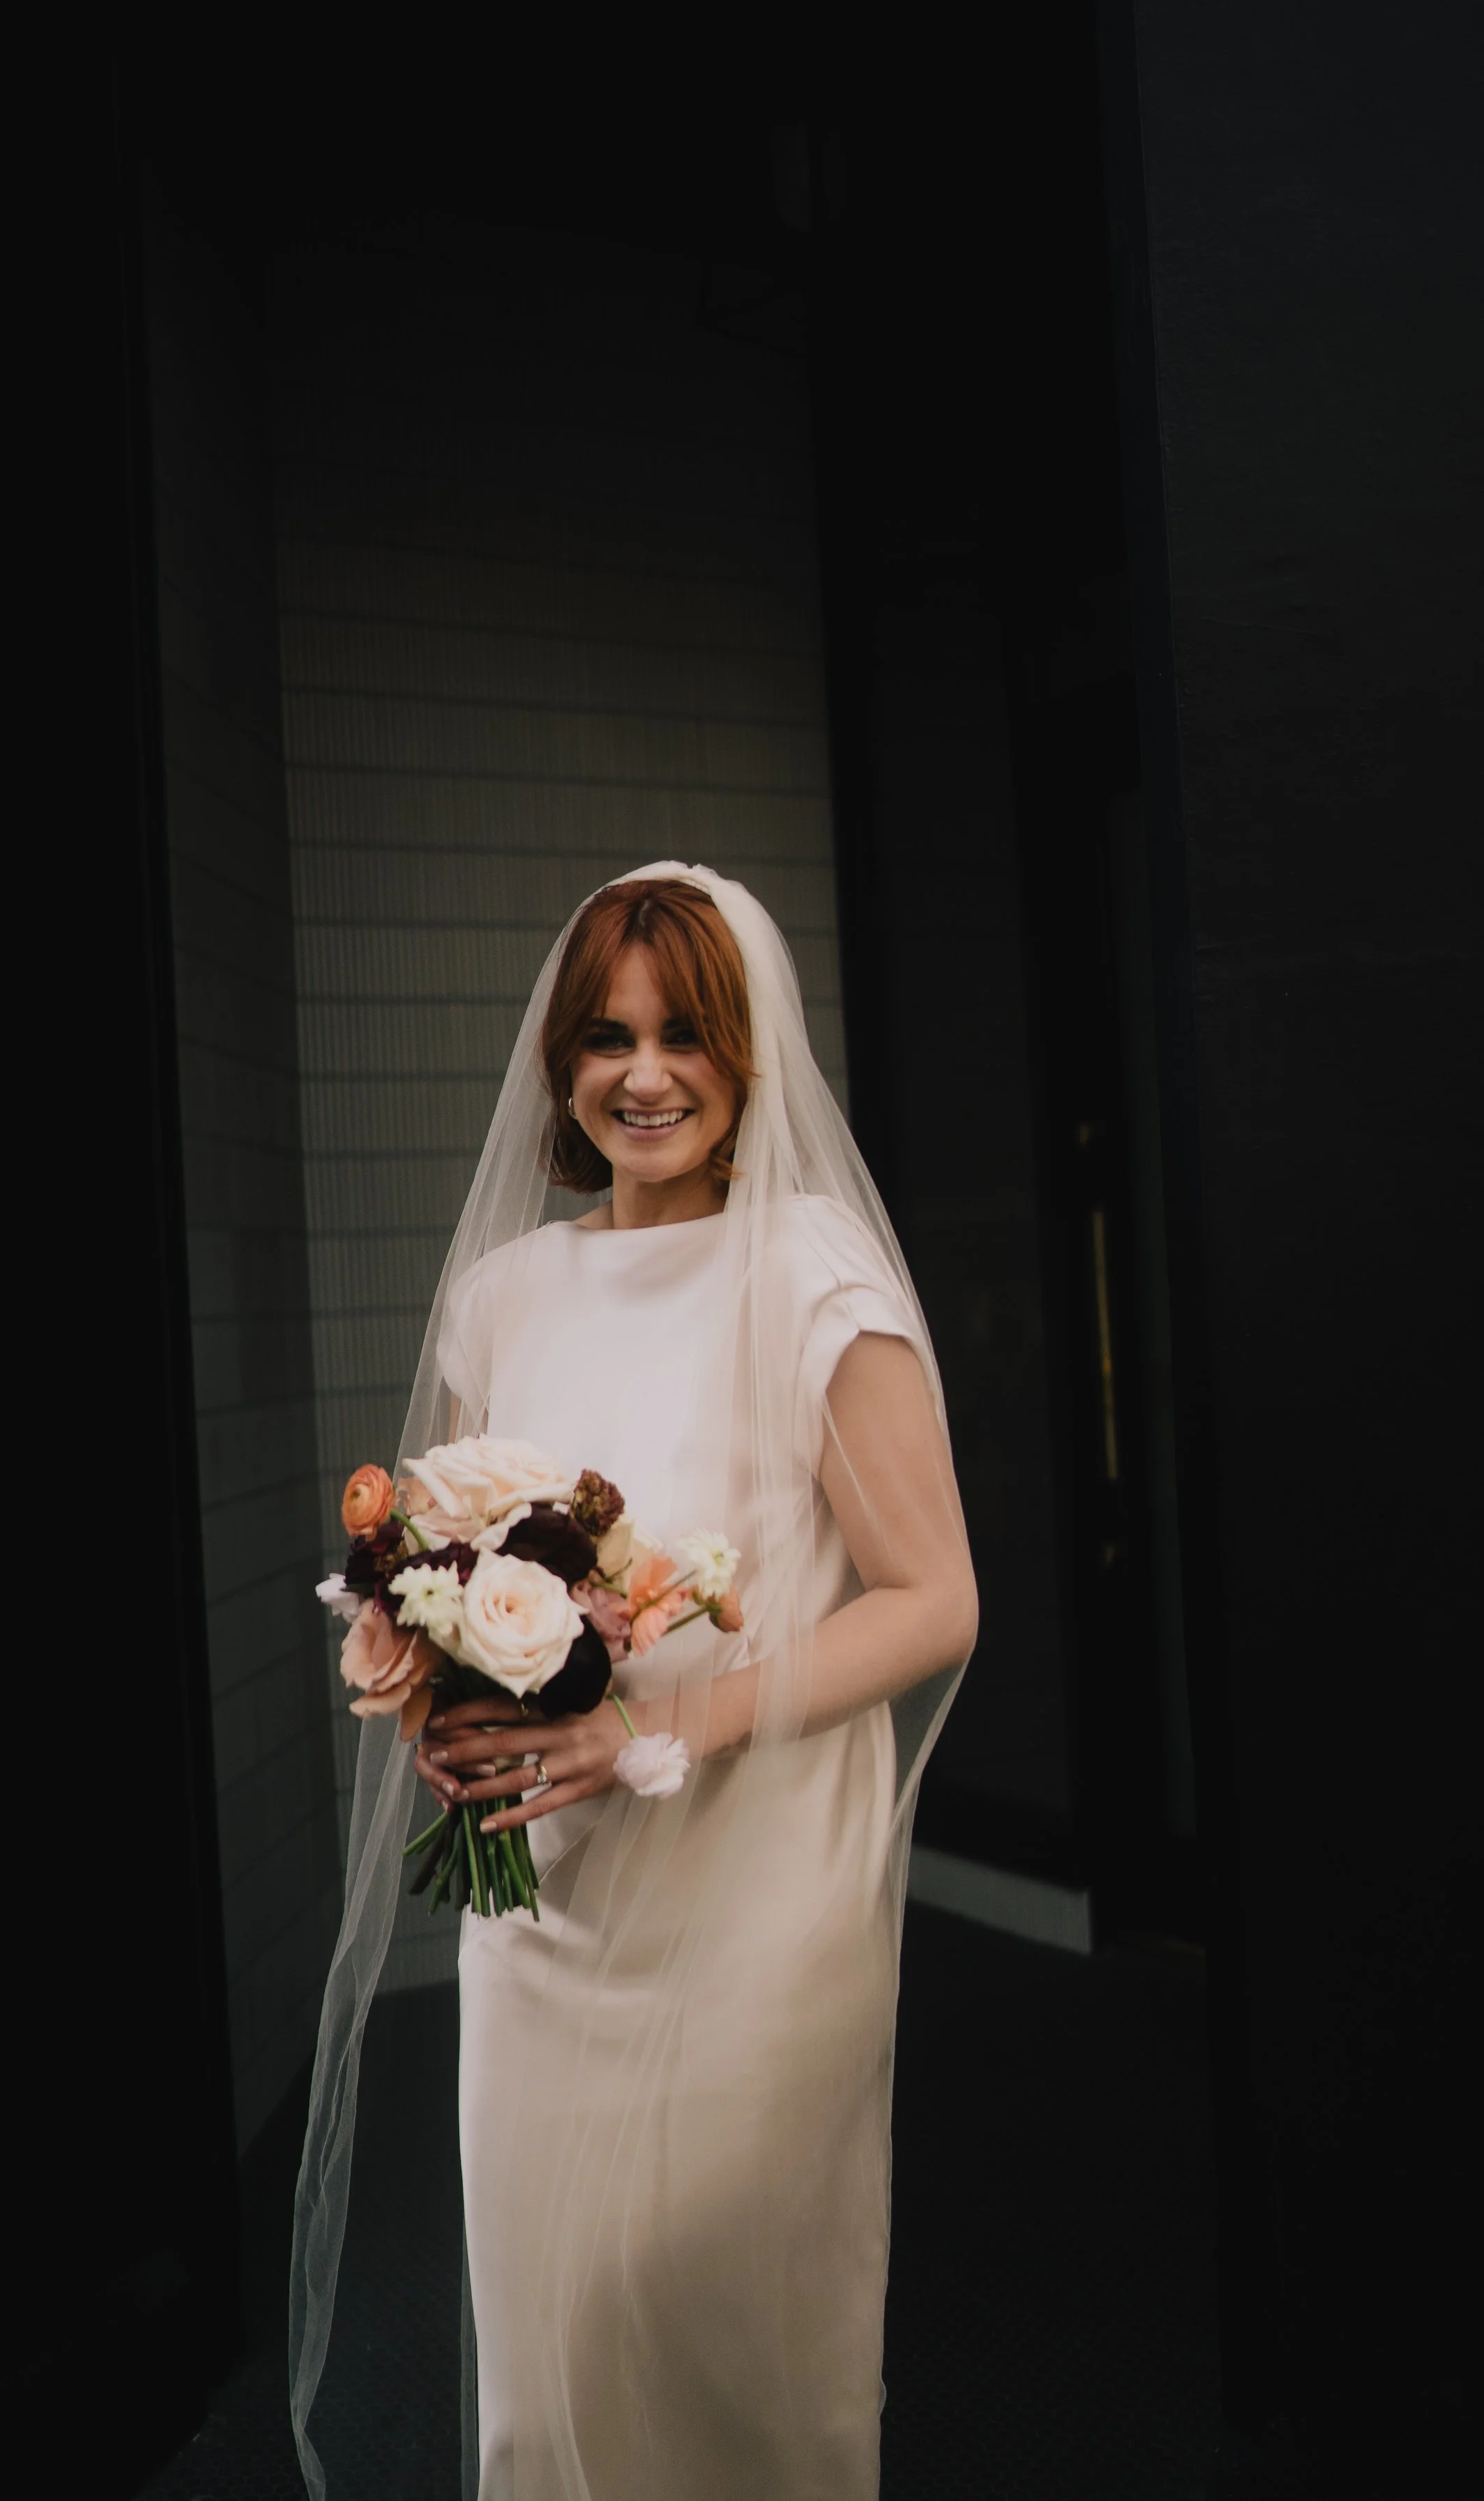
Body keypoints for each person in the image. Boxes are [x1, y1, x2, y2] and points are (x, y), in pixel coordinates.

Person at [292, 864, 976, 2501]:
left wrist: (656, 1727)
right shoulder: (503, 1294)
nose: (644, 1074)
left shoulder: (808, 1277)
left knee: (721, 2328)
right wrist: (441, 1691)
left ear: (749, 1057)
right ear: (559, 1064)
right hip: (543, 1918)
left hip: (748, 1915)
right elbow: (476, 1573)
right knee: (554, 2341)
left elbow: (934, 1601)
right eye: (605, 1036)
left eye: (684, 1036)